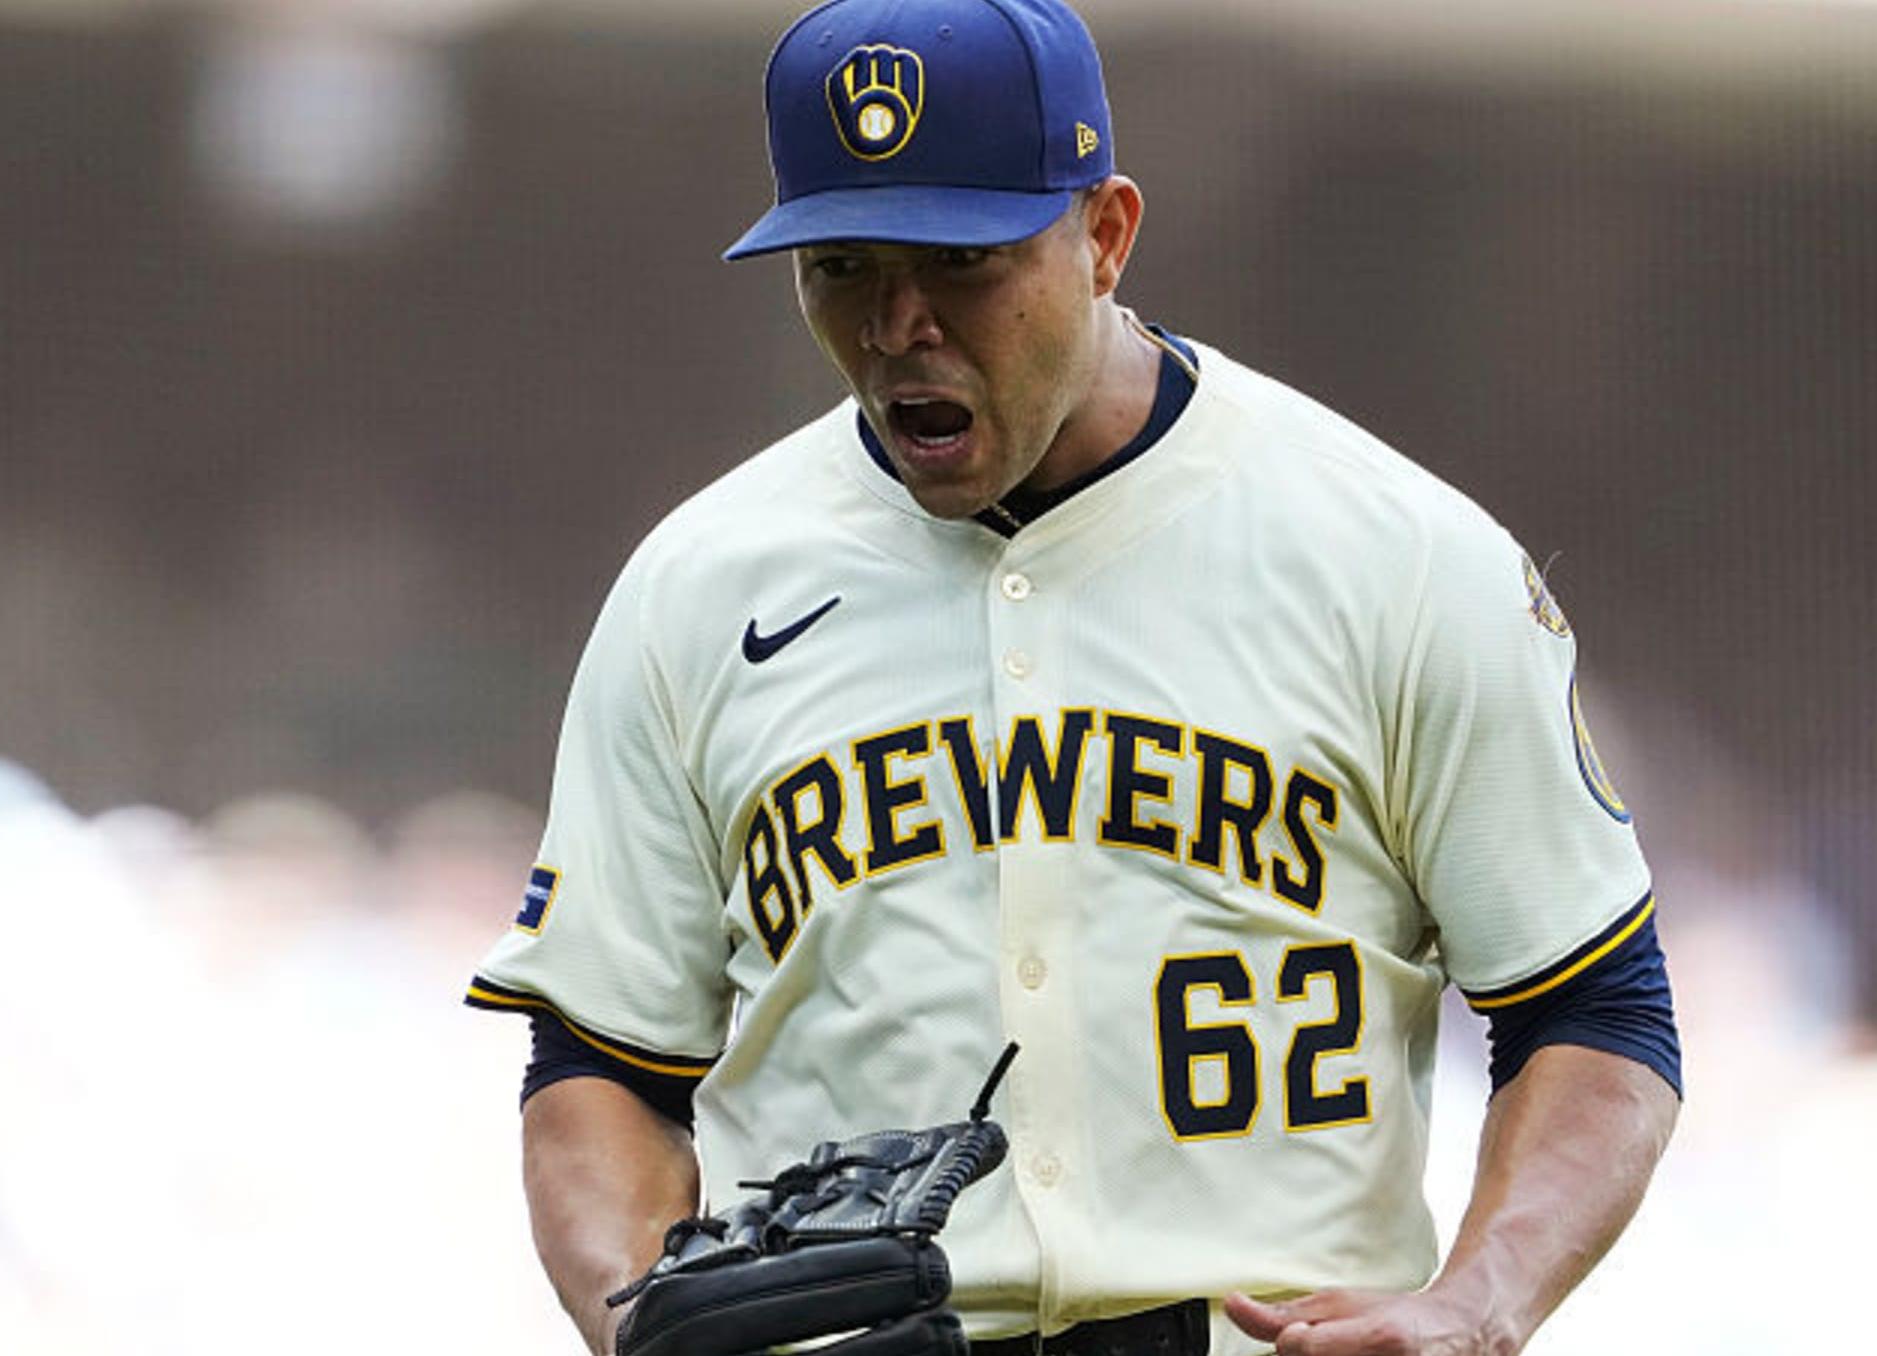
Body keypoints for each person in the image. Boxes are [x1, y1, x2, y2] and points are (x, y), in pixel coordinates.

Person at [464, 2, 1681, 1352]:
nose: (897, 324)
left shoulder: (1393, 555)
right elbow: (600, 1066)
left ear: (1105, 235)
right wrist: (635, 1312)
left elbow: (1595, 1006)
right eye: (843, 265)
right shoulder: (696, 591)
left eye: (962, 260)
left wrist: (1482, 1301)